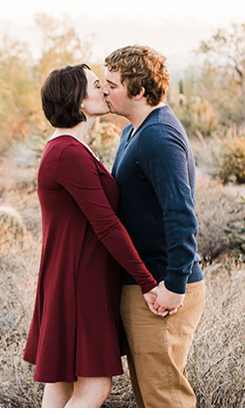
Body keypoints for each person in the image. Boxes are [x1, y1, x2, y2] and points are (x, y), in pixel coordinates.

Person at [23, 64, 161, 408]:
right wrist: (147, 281)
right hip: (79, 280)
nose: (105, 90)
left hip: (70, 274)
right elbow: (107, 225)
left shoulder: (69, 147)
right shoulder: (68, 152)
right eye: (97, 85)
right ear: (78, 101)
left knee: (63, 386)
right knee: (95, 387)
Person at [103, 45, 206, 408]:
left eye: (112, 85)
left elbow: (180, 212)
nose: (104, 91)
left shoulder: (159, 137)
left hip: (164, 289)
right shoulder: (134, 132)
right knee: (149, 397)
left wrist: (175, 284)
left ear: (140, 91)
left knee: (165, 398)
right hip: (144, 286)